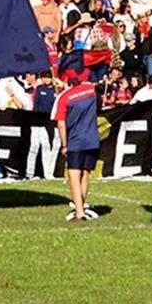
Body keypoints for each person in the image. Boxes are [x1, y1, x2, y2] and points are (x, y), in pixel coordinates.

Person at [53, 77, 101, 222]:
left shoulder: (64, 98)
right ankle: (81, 207)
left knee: (74, 177)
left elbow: (61, 123)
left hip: (75, 141)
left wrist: (64, 144)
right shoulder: (91, 91)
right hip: (92, 139)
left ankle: (79, 213)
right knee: (85, 174)